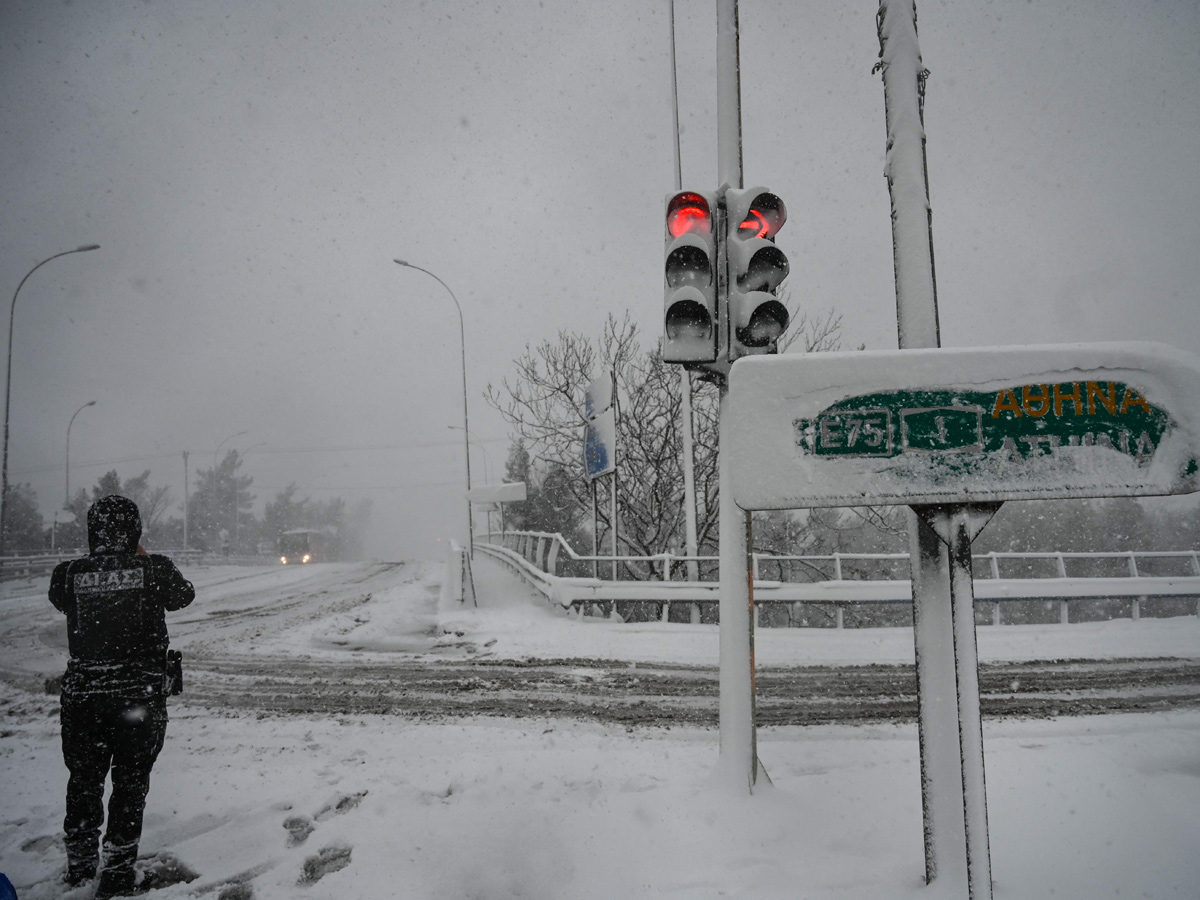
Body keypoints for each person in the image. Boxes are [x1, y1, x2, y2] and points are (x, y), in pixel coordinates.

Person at [48, 495, 195, 899]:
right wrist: (137, 557)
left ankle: (79, 867)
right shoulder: (154, 569)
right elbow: (184, 595)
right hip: (137, 698)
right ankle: (117, 871)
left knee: (83, 781)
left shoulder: (68, 573)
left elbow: (61, 600)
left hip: (82, 698)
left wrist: (101, 562)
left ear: (93, 532)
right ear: (135, 531)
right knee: (130, 785)